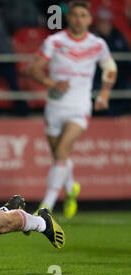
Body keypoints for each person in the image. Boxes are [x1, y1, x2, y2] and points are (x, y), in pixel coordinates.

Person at [24, 1, 117, 219]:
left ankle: (45, 207)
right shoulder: (55, 42)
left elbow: (110, 68)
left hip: (80, 107)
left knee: (62, 151)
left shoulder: (97, 44)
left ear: (89, 19)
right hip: (55, 107)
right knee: (59, 155)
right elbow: (32, 69)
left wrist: (104, 94)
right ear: (69, 18)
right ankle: (70, 187)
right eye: (75, 15)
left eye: (83, 15)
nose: (78, 19)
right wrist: (51, 83)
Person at [92, 7, 130, 116]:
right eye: (101, 22)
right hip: (98, 76)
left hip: (117, 75)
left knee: (126, 87)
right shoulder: (93, 38)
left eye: (106, 22)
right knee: (97, 90)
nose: (104, 25)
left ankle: (120, 114)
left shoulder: (117, 35)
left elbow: (126, 55)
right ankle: (103, 115)